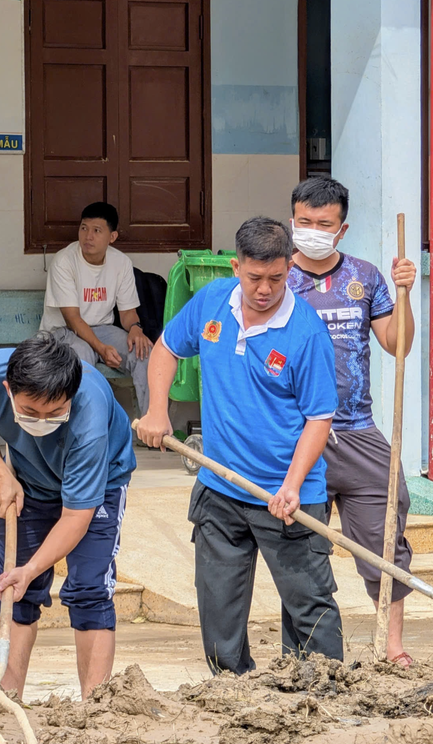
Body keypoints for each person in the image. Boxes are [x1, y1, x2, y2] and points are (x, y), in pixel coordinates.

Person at [137, 217, 343, 676]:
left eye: (276, 278)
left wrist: (291, 486)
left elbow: (319, 418)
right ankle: (234, 697)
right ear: (236, 267)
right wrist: (157, 410)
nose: (265, 289)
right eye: (254, 278)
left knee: (308, 610)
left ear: (290, 267)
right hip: (220, 488)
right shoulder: (212, 302)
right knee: (218, 612)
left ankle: (324, 700)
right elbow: (167, 347)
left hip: (286, 496)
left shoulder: (306, 333)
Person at [286, 177, 417, 667]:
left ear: (342, 228)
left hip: (358, 431)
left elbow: (398, 345)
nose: (313, 231)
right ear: (292, 221)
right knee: (296, 545)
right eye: (304, 222)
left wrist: (404, 293)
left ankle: (392, 644)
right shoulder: (277, 280)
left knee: (386, 534)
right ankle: (310, 650)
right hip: (298, 435)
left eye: (324, 224)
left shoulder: (365, 277)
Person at [0, 333, 135, 699]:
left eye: (55, 413)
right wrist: (0, 473)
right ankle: (6, 699)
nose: (42, 420)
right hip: (25, 481)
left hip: (101, 481)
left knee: (89, 589)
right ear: (7, 388)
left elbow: (75, 517)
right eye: (30, 412)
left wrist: (30, 569)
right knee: (13, 593)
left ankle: (95, 708)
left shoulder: (90, 413)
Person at [39, 202, 152, 413]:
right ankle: (86, 428)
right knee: (81, 357)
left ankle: (151, 429)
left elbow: (127, 312)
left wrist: (136, 328)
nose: (88, 236)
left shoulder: (121, 263)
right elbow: (72, 319)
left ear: (112, 237)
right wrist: (100, 348)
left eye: (96, 230)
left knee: (145, 352)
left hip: (103, 329)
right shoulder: (64, 261)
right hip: (64, 333)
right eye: (84, 228)